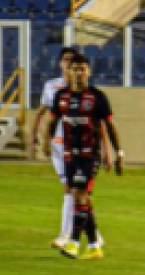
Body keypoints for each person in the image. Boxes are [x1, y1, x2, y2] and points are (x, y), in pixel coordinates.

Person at [46, 54, 123, 260]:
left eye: (83, 69)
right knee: (82, 199)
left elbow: (109, 126)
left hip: (90, 155)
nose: (79, 73)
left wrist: (118, 153)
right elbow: (53, 121)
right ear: (69, 72)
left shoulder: (97, 97)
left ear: (89, 72)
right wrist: (47, 142)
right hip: (69, 154)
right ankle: (95, 246)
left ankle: (73, 242)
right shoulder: (61, 96)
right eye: (75, 69)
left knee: (79, 195)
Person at [32, 47, 76, 249]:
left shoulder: (83, 89)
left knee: (71, 188)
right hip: (57, 145)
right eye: (65, 59)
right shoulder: (51, 86)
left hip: (76, 144)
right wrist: (36, 137)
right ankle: (94, 234)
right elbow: (42, 112)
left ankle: (64, 235)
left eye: (72, 60)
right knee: (75, 190)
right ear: (60, 63)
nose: (68, 63)